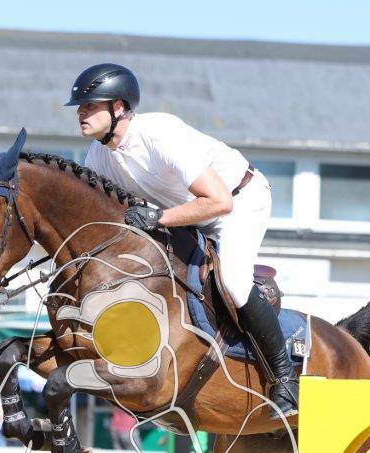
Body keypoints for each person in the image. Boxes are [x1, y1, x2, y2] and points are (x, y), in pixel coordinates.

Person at [65, 63, 297, 418]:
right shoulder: (98, 156)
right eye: (80, 107)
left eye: (90, 105)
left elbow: (220, 202)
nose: (81, 113)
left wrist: (158, 218)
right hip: (189, 215)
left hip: (239, 202)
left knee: (233, 282)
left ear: (118, 107)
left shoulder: (158, 134)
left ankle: (285, 378)